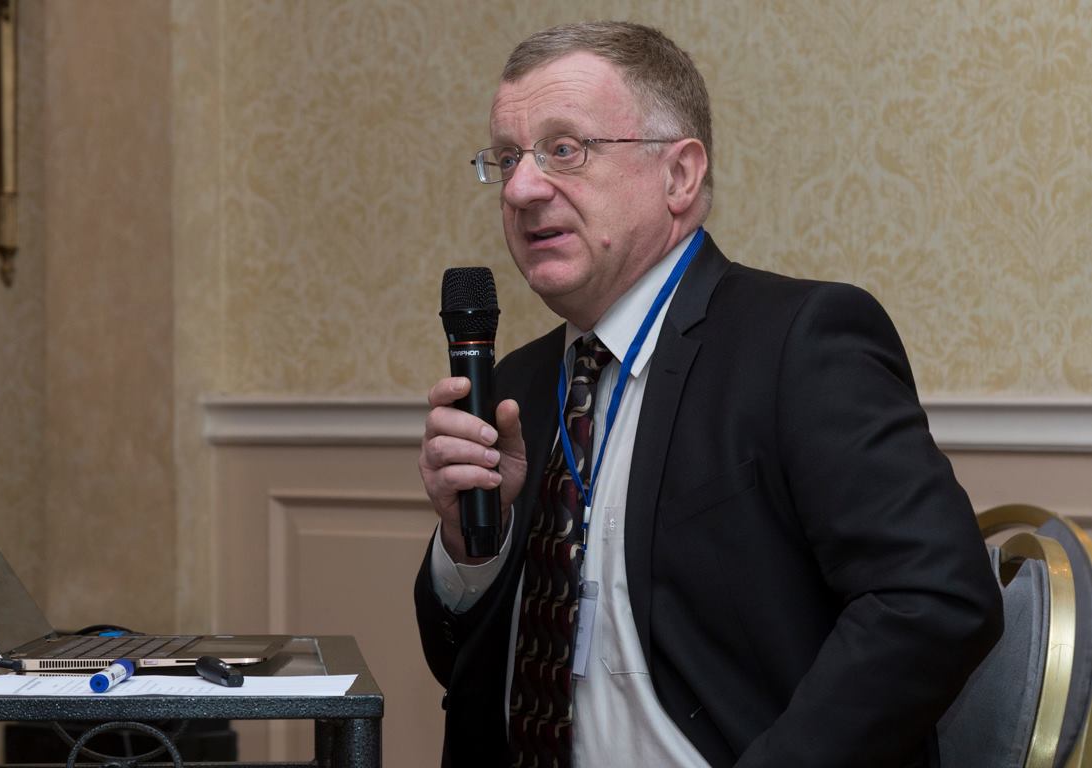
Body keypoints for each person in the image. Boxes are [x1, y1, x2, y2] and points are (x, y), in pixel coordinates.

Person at [414, 20, 1002, 768]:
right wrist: (471, 550)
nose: (522, 188)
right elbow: (459, 670)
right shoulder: (517, 387)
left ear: (679, 176)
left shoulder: (798, 343)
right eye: (507, 158)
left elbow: (936, 598)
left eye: (564, 149)